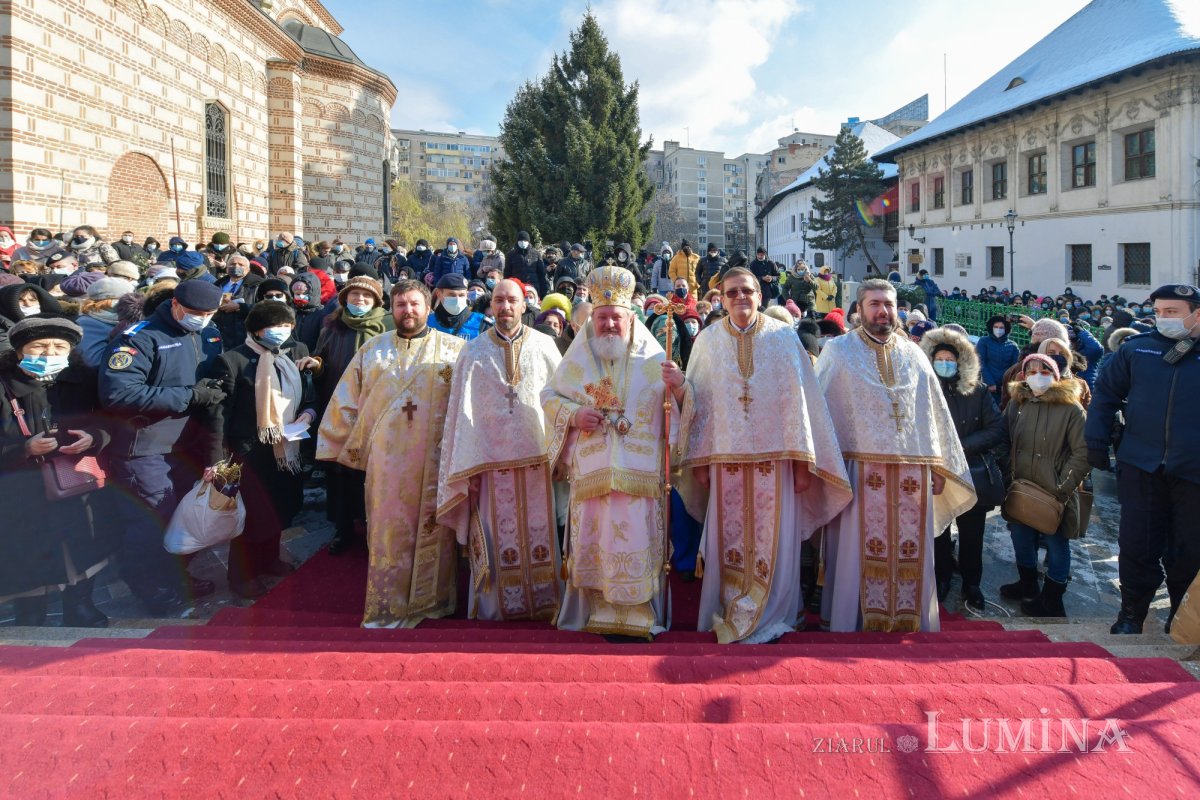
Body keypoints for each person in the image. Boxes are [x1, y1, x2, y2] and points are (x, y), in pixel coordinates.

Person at [681, 267, 851, 643]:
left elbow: (800, 401)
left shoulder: (783, 337)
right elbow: (701, 402)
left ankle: (775, 613)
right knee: (728, 539)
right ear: (722, 299)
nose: (739, 297)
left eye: (746, 290)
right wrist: (698, 461)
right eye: (731, 292)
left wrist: (803, 464)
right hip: (724, 461)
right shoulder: (708, 341)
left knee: (774, 541)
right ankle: (728, 609)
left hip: (776, 463)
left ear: (760, 295)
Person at [815, 279, 975, 632]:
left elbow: (932, 414)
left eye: (888, 304)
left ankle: (908, 620)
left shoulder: (914, 354)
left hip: (911, 477)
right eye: (874, 304)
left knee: (910, 550)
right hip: (859, 471)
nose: (883, 311)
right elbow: (821, 415)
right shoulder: (838, 352)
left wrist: (938, 467)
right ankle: (852, 621)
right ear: (859, 310)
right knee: (857, 550)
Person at [541, 265, 684, 638]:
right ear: (593, 319)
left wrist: (681, 386)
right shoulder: (579, 358)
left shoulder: (654, 359)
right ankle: (592, 612)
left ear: (630, 318)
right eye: (602, 317)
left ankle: (641, 615)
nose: (608, 325)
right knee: (594, 543)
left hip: (641, 476)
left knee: (638, 541)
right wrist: (575, 415)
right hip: (593, 473)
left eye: (615, 317)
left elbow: (680, 410)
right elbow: (549, 397)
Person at [317, 279, 465, 628]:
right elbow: (346, 400)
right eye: (401, 305)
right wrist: (336, 445)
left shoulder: (454, 351)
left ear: (429, 307)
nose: (408, 311)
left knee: (435, 530)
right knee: (388, 533)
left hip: (435, 461)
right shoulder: (373, 350)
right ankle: (389, 605)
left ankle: (433, 602)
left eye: (414, 304)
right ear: (392, 309)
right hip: (385, 465)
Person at [436, 279, 563, 621]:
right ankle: (494, 610)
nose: (505, 307)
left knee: (540, 534)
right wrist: (467, 468)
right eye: (499, 300)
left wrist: (563, 455)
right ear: (491, 305)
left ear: (524, 305)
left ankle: (545, 602)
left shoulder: (545, 346)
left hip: (538, 462)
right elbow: (461, 415)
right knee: (497, 538)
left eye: (512, 300)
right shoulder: (473, 352)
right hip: (489, 465)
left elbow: (561, 402)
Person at [99, 279, 226, 614]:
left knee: (187, 519)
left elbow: (214, 387)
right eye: (196, 312)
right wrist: (190, 396)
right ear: (175, 304)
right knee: (154, 519)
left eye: (210, 313)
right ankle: (148, 586)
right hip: (145, 446)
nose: (202, 319)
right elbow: (119, 393)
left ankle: (175, 576)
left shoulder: (209, 334)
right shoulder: (139, 338)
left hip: (190, 444)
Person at [1088, 284, 1200, 634]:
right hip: (1141, 465)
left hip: (1193, 472)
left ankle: (1182, 619)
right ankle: (1131, 614)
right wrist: (1095, 439)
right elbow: (1105, 394)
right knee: (1137, 544)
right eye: (1159, 312)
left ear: (1196, 314)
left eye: (1172, 312)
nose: (1163, 318)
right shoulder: (1137, 349)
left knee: (1189, 550)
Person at [0, 315, 119, 627]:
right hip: (20, 488)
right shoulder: (4, 386)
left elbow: (113, 421)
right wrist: (24, 449)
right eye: (39, 346)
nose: (49, 353)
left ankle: (80, 606)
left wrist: (94, 437)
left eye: (58, 346)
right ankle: (29, 612)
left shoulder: (84, 380)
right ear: (19, 352)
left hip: (75, 479)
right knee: (28, 550)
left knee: (81, 543)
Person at [212, 301, 321, 598]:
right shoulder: (233, 360)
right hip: (249, 453)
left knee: (280, 508)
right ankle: (242, 575)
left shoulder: (296, 352)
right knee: (252, 516)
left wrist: (308, 414)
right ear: (257, 330)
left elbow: (309, 395)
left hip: (288, 448)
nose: (281, 332)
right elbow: (221, 415)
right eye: (274, 327)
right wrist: (218, 459)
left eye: (287, 326)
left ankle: (270, 559)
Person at [921, 328, 1006, 612]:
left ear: (960, 362)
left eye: (950, 359)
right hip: (936, 473)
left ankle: (972, 583)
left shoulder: (977, 391)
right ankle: (941, 578)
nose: (944, 363)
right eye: (940, 359)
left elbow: (996, 428)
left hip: (970, 471)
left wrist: (959, 447)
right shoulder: (922, 390)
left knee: (972, 534)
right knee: (939, 530)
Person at [999, 354, 1089, 618]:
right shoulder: (1017, 403)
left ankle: (1052, 599)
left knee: (1056, 543)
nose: (1037, 375)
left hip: (1054, 493)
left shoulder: (1072, 410)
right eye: (1031, 370)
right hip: (1021, 487)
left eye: (1045, 370)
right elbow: (1002, 438)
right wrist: (1008, 471)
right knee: (1020, 538)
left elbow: (1083, 453)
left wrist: (1062, 487)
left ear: (1056, 375)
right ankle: (1027, 584)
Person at [313, 275, 393, 555]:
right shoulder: (332, 327)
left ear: (376, 301)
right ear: (345, 298)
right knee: (341, 470)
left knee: (372, 469)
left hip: (376, 409)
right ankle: (343, 528)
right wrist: (316, 365)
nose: (360, 300)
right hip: (340, 408)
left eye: (366, 296)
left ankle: (373, 525)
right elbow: (322, 358)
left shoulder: (389, 326)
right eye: (354, 295)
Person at [428, 273, 486, 341]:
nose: (457, 299)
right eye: (452, 295)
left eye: (461, 295)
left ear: (467, 294)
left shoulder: (482, 323)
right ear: (439, 294)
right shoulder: (426, 322)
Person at [975, 314, 1020, 399]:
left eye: (1001, 327)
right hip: (987, 387)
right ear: (991, 327)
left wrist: (1006, 385)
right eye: (996, 327)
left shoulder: (1013, 345)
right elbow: (981, 362)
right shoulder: (984, 341)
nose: (998, 330)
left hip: (1005, 389)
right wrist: (990, 382)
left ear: (1006, 329)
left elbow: (1015, 368)